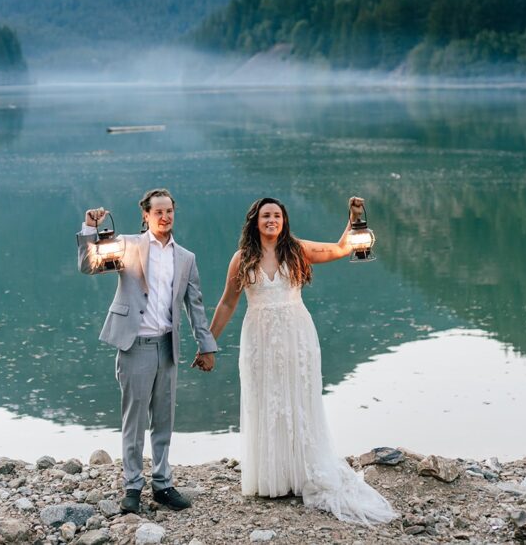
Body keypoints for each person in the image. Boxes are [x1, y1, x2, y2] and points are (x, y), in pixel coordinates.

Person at [202, 196, 397, 524]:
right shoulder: (241, 259)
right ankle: (272, 479)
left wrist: (354, 217)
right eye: (266, 216)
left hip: (297, 335)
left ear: (284, 221)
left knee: (299, 401)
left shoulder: (296, 249)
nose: (271, 220)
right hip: (259, 339)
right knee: (265, 401)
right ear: (255, 221)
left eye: (277, 215)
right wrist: (208, 344)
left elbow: (339, 248)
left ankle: (301, 473)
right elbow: (226, 304)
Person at [77, 188, 218, 514]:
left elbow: (195, 306)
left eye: (169, 211)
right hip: (135, 346)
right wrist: (88, 229)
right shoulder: (126, 245)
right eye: (159, 212)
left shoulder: (186, 258)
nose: (165, 217)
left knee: (164, 421)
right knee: (134, 421)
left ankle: (163, 484)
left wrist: (206, 345)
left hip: (167, 348)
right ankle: (132, 488)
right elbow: (88, 266)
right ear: (146, 215)